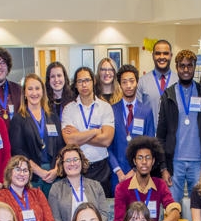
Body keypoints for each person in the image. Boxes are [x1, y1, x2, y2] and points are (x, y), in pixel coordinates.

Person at [156, 49, 201, 203]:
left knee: (199, 205)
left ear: (195, 67)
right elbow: (160, 135)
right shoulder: (168, 95)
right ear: (176, 67)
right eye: (182, 66)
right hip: (174, 162)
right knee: (172, 206)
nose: (186, 70)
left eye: (190, 65)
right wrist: (163, 167)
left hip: (198, 162)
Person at [113, 137, 181, 221]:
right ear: (134, 161)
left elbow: (175, 212)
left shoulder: (160, 185)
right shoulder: (122, 187)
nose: (144, 162)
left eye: (148, 158)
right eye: (140, 158)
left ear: (153, 161)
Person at [61, 67, 115, 197]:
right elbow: (69, 141)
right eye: (80, 81)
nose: (84, 85)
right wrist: (95, 131)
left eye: (87, 80)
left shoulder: (105, 107)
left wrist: (79, 134)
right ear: (75, 85)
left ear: (93, 81)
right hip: (77, 169)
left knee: (102, 206)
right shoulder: (68, 109)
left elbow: (107, 140)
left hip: (101, 169)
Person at [8, 73, 63, 195]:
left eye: (37, 88)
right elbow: (18, 151)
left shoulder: (52, 117)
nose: (34, 93)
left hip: (54, 175)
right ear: (24, 93)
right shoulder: (18, 119)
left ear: (43, 92)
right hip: (32, 176)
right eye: (30, 89)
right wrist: (39, 171)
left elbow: (61, 147)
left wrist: (56, 170)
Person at [109, 64, 156, 192]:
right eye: (124, 82)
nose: (128, 85)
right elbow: (108, 146)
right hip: (117, 174)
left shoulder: (146, 111)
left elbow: (150, 144)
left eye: (131, 81)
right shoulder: (111, 110)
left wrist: (135, 170)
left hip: (140, 172)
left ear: (137, 82)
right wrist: (118, 171)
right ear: (119, 85)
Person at [49, 146, 108, 221]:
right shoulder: (56, 189)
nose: (72, 163)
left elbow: (104, 214)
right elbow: (56, 220)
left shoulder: (96, 186)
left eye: (75, 159)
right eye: (68, 160)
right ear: (62, 164)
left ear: (82, 161)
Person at [136, 39, 177, 123]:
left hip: (173, 131)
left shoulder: (178, 81)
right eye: (158, 53)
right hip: (150, 131)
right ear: (153, 56)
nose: (161, 57)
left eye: (165, 53)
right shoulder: (142, 82)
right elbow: (138, 113)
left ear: (171, 56)